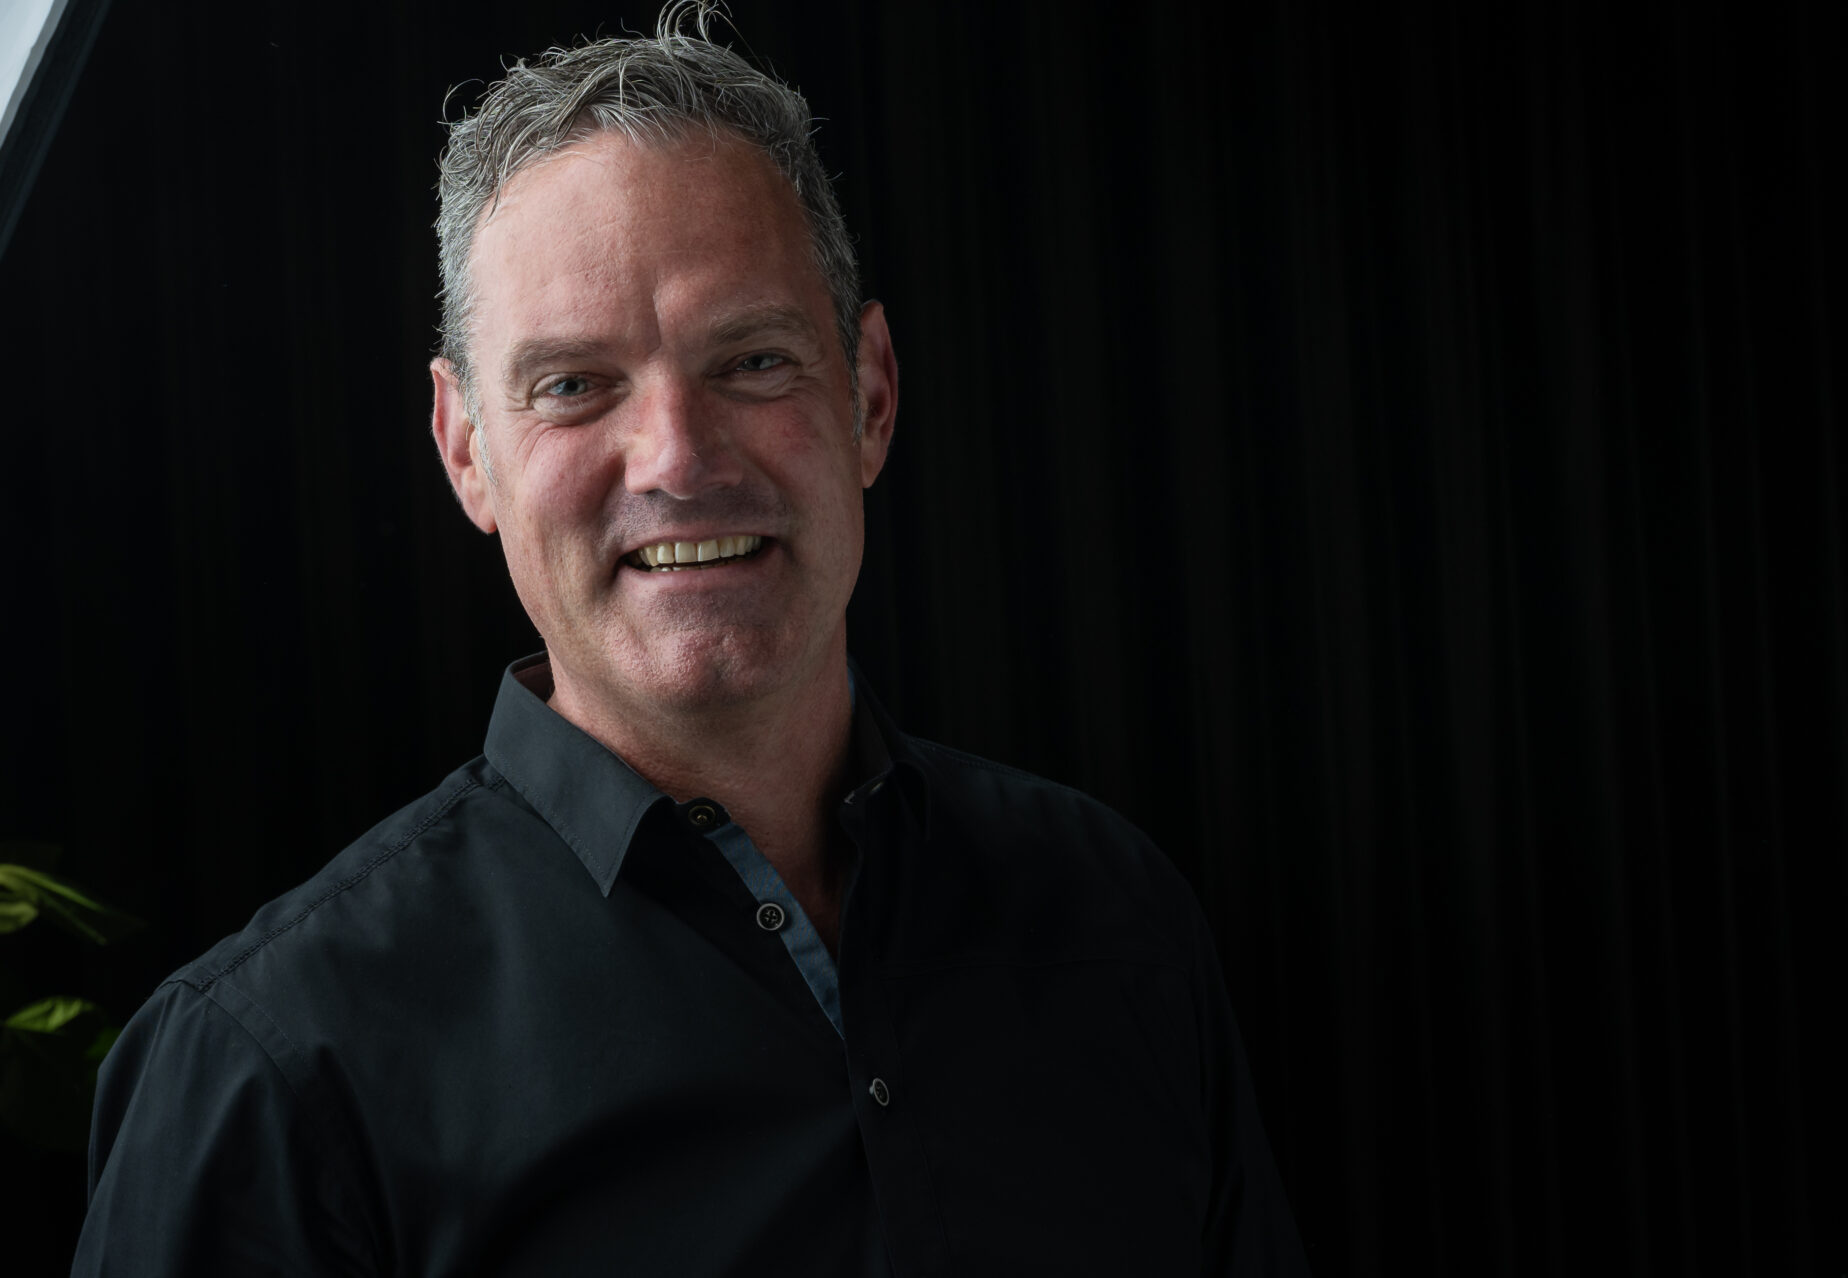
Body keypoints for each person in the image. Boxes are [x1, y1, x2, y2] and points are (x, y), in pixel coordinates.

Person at [72, 9, 1311, 1275]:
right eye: (573, 385)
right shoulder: (268, 1071)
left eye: (754, 360)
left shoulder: (1112, 914)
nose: (677, 458)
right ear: (465, 450)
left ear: (871, 394)